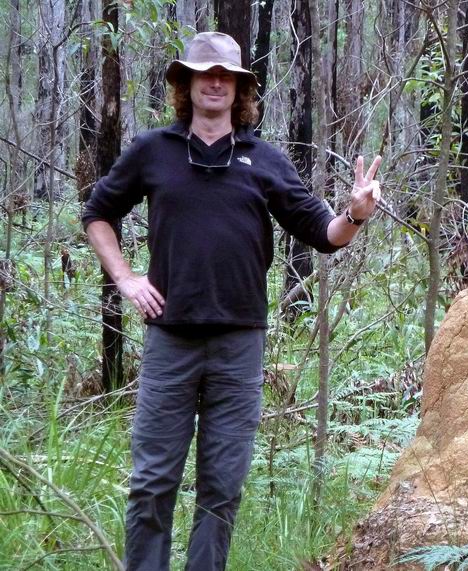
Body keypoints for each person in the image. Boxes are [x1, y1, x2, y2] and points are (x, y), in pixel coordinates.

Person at [82, 32, 381, 570]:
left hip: (239, 344)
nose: (215, 82)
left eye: (227, 76)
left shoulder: (263, 158)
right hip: (170, 339)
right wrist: (125, 278)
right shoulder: (154, 151)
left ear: (240, 88)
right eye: (205, 74)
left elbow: (323, 232)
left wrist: (355, 213)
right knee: (152, 483)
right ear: (188, 84)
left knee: (221, 489)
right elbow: (98, 212)